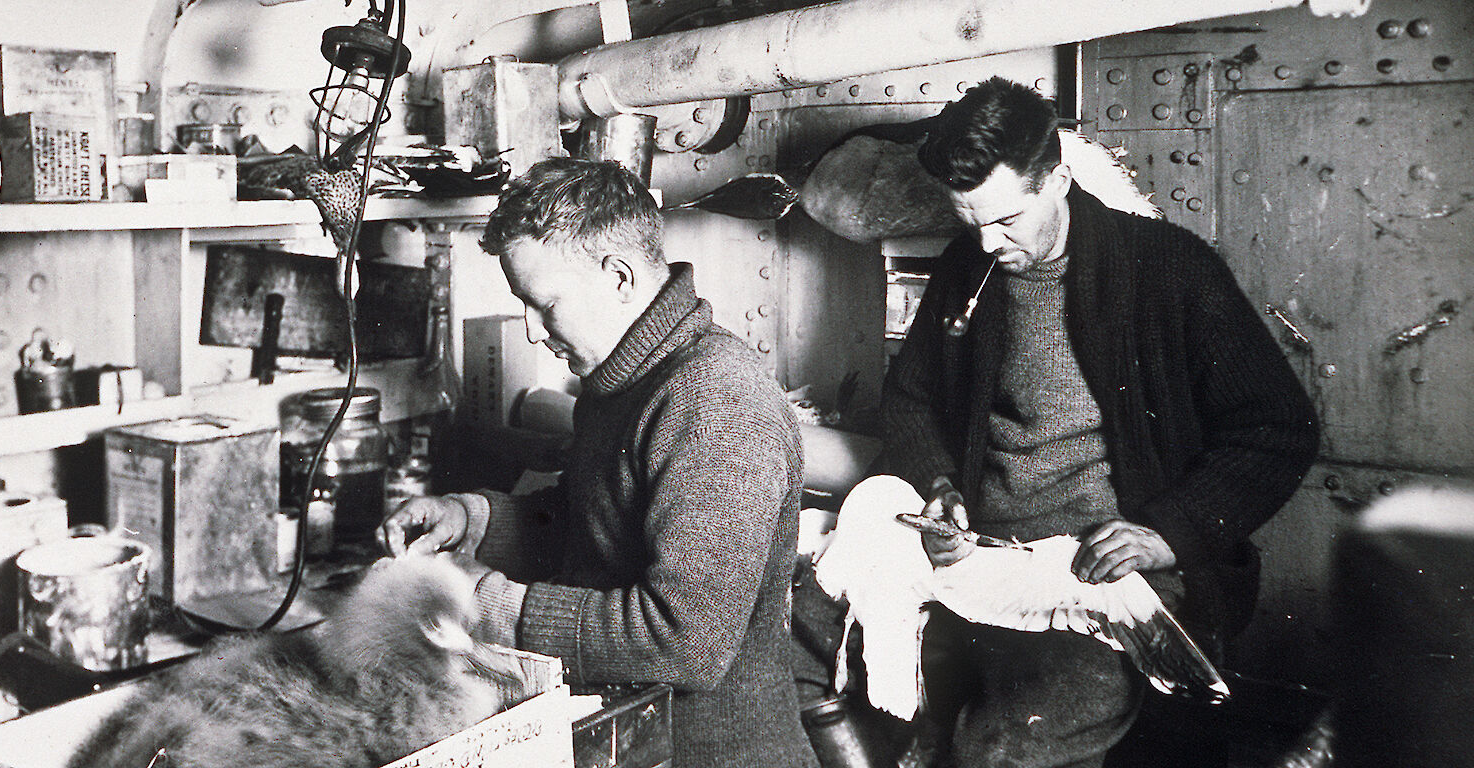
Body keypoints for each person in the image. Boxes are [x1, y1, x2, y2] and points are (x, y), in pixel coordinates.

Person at [879, 77, 1319, 767]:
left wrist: (1168, 532)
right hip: (983, 560)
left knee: (999, 747)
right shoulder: (970, 266)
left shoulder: (1170, 269)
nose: (988, 244)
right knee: (804, 638)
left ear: (1057, 178)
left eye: (1006, 220)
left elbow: (1278, 429)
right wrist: (939, 482)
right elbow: (908, 398)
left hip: (1103, 575)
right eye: (970, 221)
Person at [380, 157, 816, 768]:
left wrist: (494, 605)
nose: (532, 331)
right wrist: (473, 518)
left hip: (711, 753)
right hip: (631, 739)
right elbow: (600, 522)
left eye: (544, 304)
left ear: (619, 277)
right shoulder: (622, 378)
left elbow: (682, 639)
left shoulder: (716, 396)